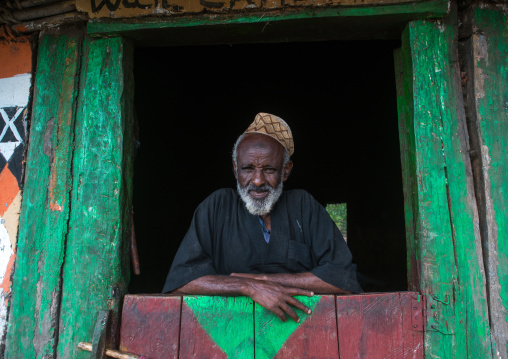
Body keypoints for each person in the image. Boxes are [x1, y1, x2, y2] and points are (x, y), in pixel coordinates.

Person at [162, 112, 362, 322]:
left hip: (302, 332)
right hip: (229, 333)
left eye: (269, 169)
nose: (257, 180)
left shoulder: (304, 205)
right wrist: (248, 286)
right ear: (235, 168)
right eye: (248, 168)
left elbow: (343, 279)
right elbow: (181, 281)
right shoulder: (217, 206)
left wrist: (268, 280)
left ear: (285, 171)